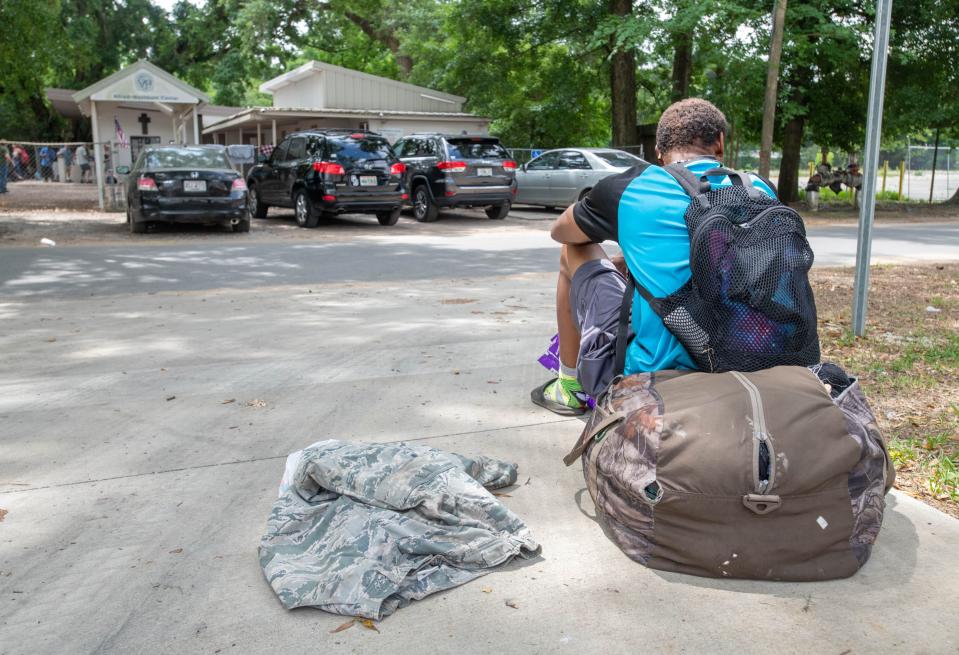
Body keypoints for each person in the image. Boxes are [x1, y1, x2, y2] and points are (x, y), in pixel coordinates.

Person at [531, 98, 776, 415]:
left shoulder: (633, 187)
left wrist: (629, 245)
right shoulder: (759, 188)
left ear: (659, 151)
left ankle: (569, 386)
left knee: (572, 250)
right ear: (721, 143)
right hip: (749, 357)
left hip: (653, 374)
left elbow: (560, 232)